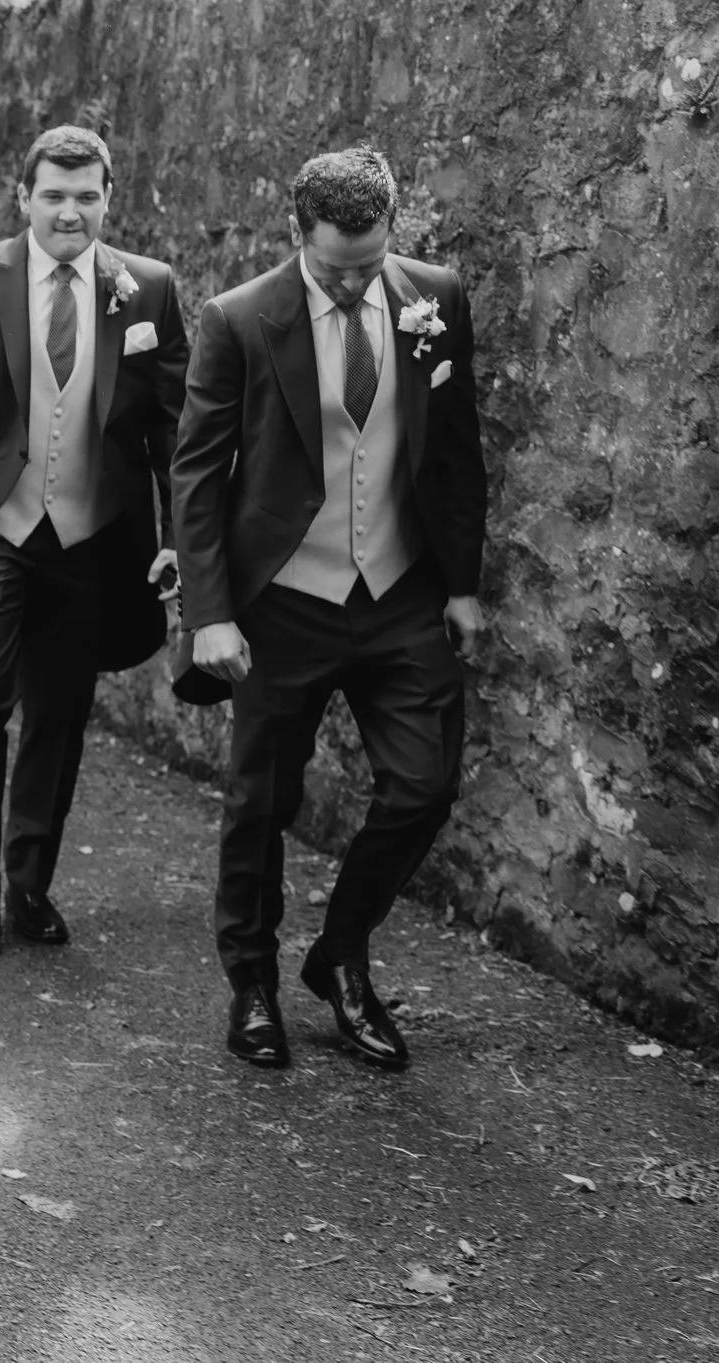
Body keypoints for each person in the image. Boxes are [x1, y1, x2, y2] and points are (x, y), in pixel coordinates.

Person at [174, 147, 487, 1072]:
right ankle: (252, 981)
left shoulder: (438, 299)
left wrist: (462, 582)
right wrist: (210, 612)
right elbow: (196, 473)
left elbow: (457, 447)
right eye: (335, 266)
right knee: (259, 800)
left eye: (371, 261)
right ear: (296, 234)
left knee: (425, 784)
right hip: (284, 602)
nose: (356, 281)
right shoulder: (238, 319)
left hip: (400, 591)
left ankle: (340, 952)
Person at [0, 126, 188, 955]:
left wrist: (181, 536)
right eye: (54, 194)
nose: (70, 211)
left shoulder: (148, 289)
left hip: (91, 536)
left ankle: (28, 879)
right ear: (24, 197)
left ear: (108, 199)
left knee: (60, 713)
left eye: (87, 196)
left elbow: (172, 430)